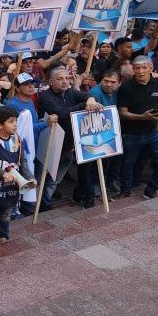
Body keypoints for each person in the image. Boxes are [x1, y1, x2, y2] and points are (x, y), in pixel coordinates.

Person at [37, 67, 103, 210]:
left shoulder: (70, 92)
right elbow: (61, 113)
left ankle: (46, 202)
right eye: (60, 79)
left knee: (56, 178)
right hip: (50, 144)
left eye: (67, 78)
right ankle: (42, 206)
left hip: (69, 143)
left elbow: (87, 96)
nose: (65, 82)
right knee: (44, 177)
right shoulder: (45, 96)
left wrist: (90, 98)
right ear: (51, 82)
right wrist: (85, 105)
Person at [0, 106, 36, 247]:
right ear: (0, 125)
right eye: (11, 121)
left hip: (11, 187)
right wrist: (2, 173)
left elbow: (23, 162)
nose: (15, 124)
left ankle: (4, 235)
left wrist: (29, 177)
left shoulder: (17, 139)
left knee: (6, 214)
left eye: (16, 121)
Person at [116, 55, 158, 200]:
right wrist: (142, 117)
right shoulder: (126, 87)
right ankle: (125, 190)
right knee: (128, 164)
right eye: (137, 68)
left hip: (155, 131)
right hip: (132, 133)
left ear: (151, 68)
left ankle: (151, 189)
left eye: (144, 68)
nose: (140, 71)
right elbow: (122, 112)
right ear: (133, 69)